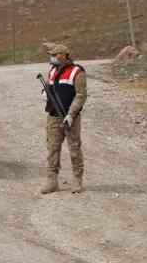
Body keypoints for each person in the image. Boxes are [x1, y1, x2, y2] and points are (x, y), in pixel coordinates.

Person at [40, 44, 87, 194]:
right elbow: (49, 87)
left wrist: (71, 114)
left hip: (70, 119)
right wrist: (44, 93)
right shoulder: (52, 71)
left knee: (74, 149)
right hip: (53, 118)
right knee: (53, 149)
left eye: (55, 54)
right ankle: (52, 181)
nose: (52, 57)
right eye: (51, 55)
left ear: (64, 55)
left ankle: (77, 179)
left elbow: (81, 95)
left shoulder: (77, 71)